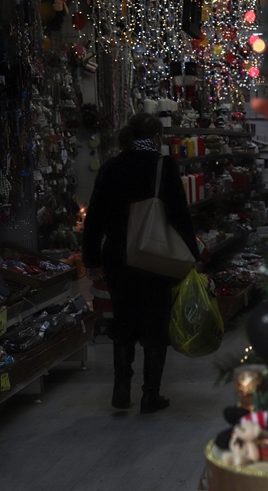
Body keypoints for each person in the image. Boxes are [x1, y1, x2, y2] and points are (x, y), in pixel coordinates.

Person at [82, 113, 201, 413]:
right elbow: (178, 214)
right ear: (158, 137)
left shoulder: (111, 166)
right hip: (154, 255)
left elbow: (94, 216)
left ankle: (121, 389)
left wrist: (92, 259)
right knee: (155, 322)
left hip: (118, 255)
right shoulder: (163, 166)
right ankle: (151, 395)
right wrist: (193, 255)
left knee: (123, 318)